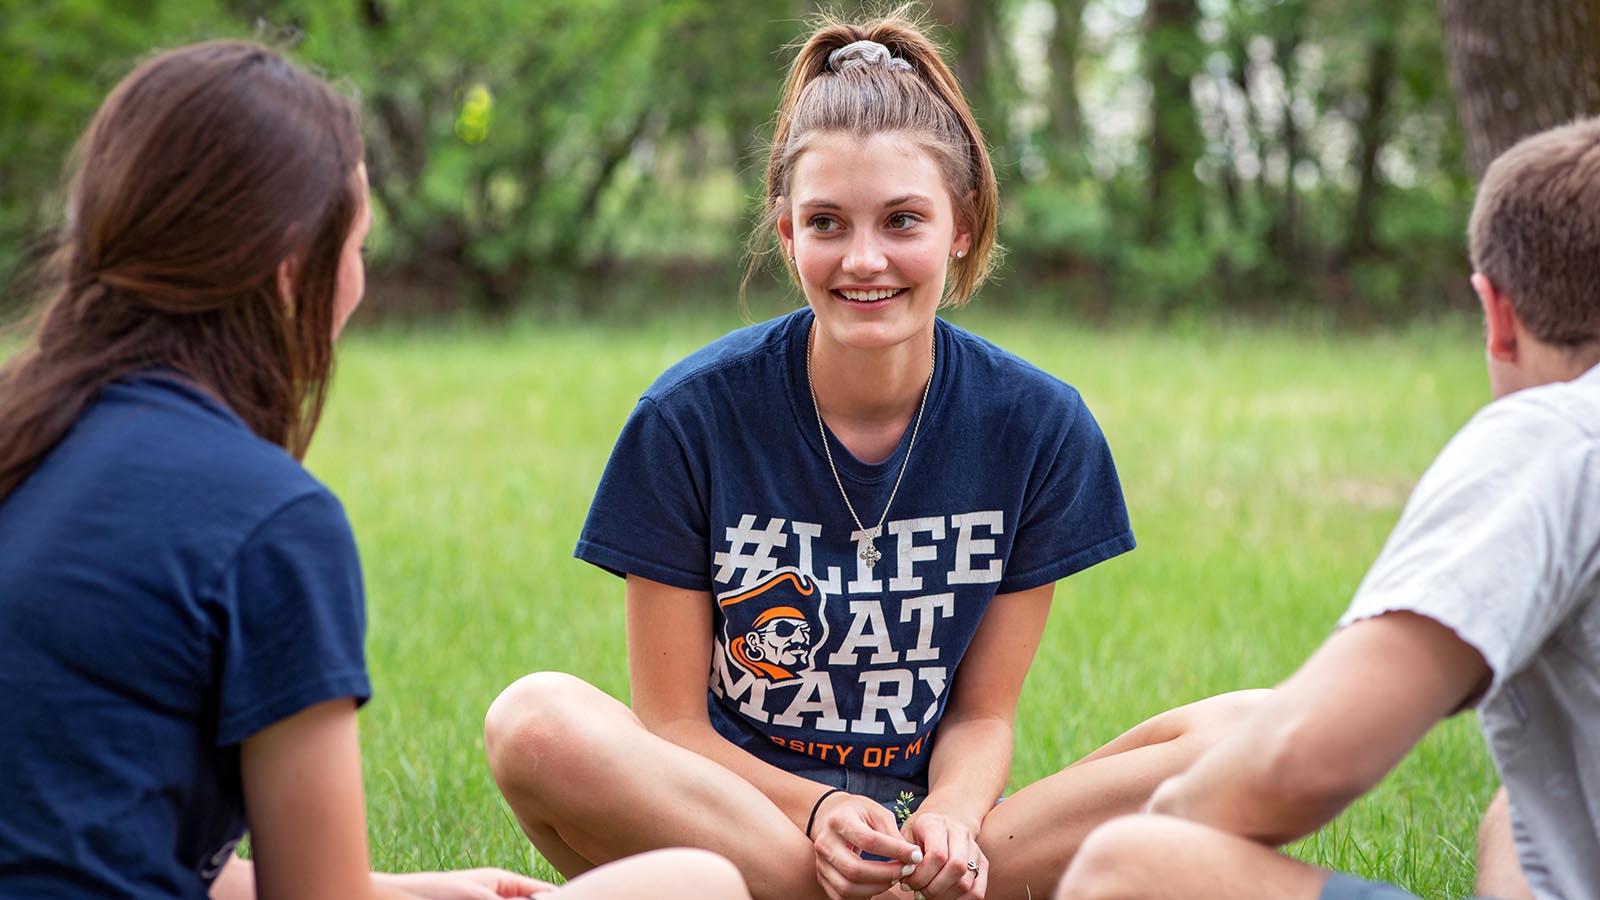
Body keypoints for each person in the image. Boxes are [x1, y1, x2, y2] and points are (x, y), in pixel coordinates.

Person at [483, 11, 1261, 900]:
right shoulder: (687, 420)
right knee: (534, 719)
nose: (864, 259)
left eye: (902, 220)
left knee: (1263, 729)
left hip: (946, 843)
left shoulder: (1037, 427)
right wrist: (816, 815)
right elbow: (671, 728)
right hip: (745, 823)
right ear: (785, 234)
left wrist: (952, 818)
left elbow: (981, 715)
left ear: (962, 226)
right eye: (826, 222)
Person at [0, 40, 749, 900]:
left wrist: (412, 892)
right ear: (290, 274)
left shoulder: (22, 438)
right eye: (356, 249)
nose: (357, 282)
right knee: (696, 883)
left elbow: (103, 857)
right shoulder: (269, 522)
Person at [1054, 117, 1600, 900]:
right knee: (1519, 808)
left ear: (1499, 314)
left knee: (1126, 868)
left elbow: (1304, 760)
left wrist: (1163, 826)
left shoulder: (1557, 436)